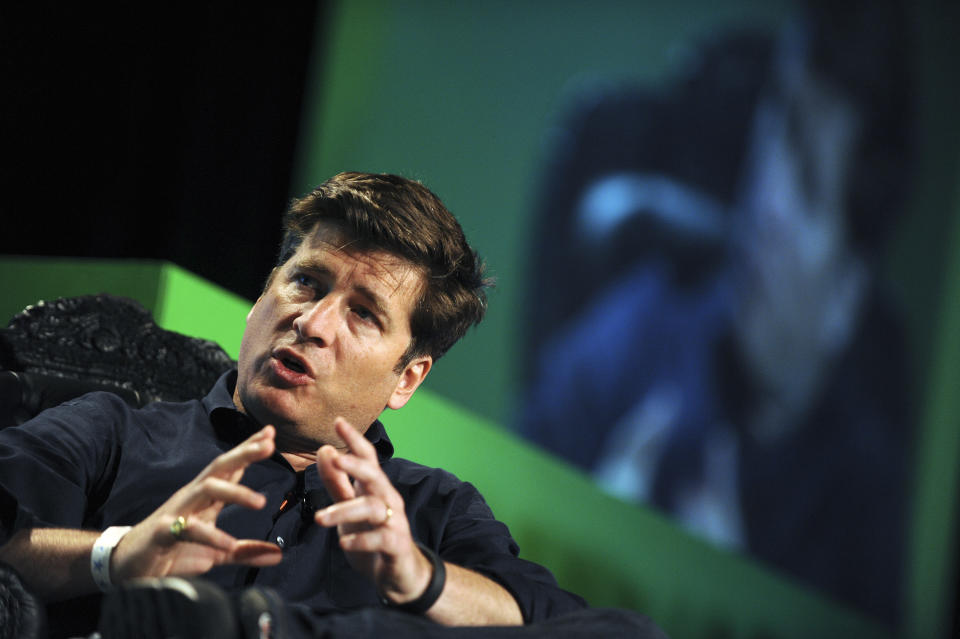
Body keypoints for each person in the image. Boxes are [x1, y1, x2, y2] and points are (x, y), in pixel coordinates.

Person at [0, 173, 661, 639]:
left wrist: (419, 576)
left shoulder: (430, 509)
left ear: (407, 378)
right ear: (263, 294)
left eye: (364, 314)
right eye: (304, 281)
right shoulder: (116, 429)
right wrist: (115, 556)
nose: (311, 322)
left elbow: (553, 616)